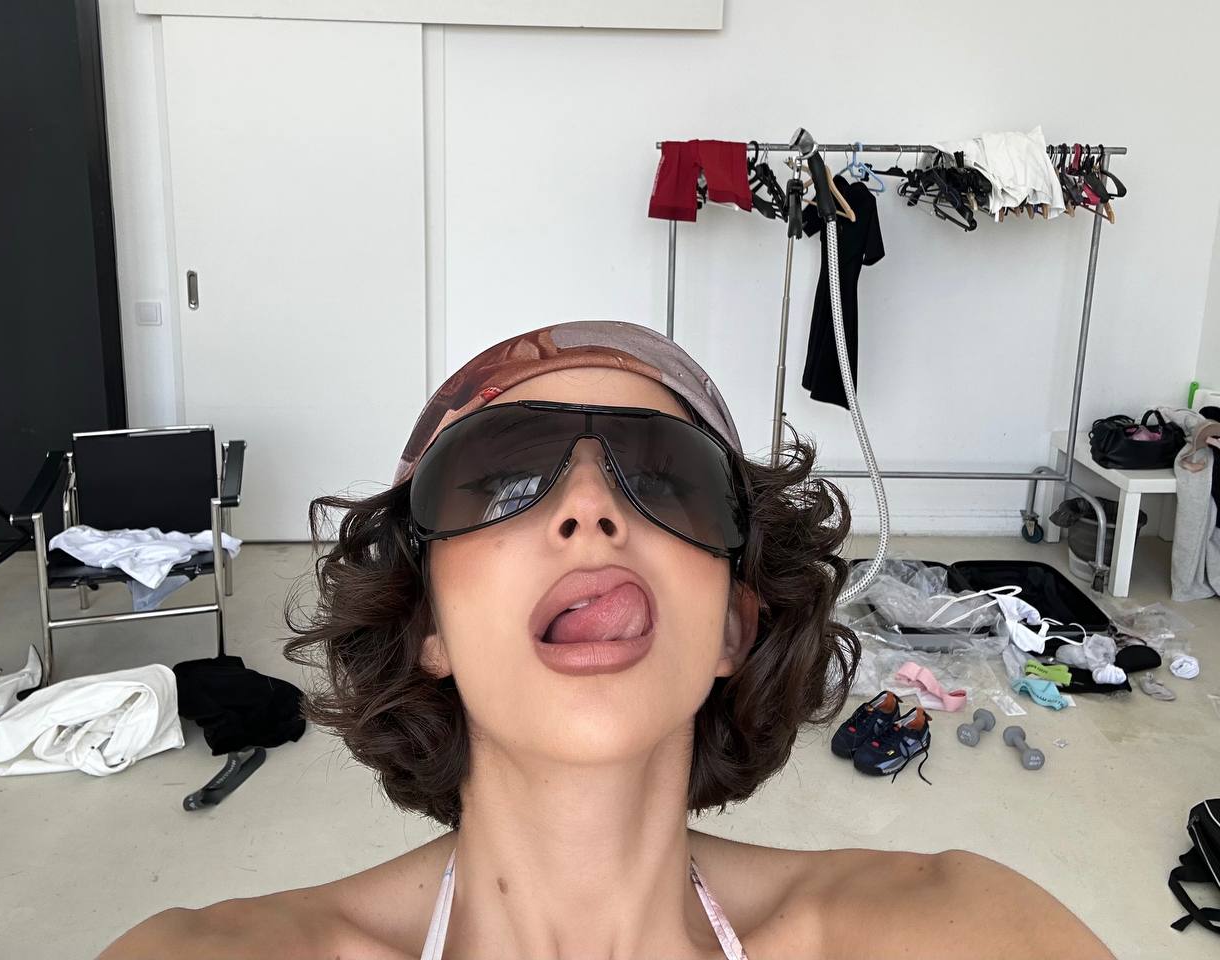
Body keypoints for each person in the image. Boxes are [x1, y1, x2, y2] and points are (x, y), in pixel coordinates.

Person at [98, 321, 1113, 959]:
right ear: (429, 626)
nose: (590, 511)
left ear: (733, 624)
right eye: (503, 478)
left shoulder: (967, 931)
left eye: (664, 476)